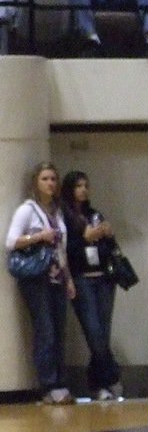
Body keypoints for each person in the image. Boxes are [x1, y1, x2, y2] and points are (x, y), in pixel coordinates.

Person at [6, 162, 76, 405]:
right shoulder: (27, 210)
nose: (50, 184)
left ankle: (60, 382)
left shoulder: (57, 211)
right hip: (37, 278)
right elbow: (11, 242)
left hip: (57, 276)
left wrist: (68, 279)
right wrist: (38, 236)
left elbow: (61, 248)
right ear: (36, 182)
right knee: (45, 331)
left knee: (59, 331)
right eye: (45, 179)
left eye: (53, 179)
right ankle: (49, 385)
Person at [62, 170, 123, 401]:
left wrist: (106, 235)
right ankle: (112, 375)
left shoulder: (95, 215)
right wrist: (87, 238)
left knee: (103, 333)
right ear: (70, 189)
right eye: (78, 186)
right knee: (94, 334)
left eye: (86, 185)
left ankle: (99, 384)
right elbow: (68, 249)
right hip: (81, 279)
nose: (83, 190)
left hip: (104, 279)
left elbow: (110, 248)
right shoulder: (65, 217)